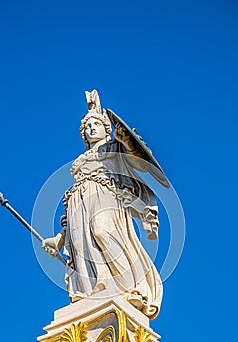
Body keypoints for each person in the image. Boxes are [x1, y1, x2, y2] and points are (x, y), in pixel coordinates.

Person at [42, 90, 163, 319]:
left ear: (106, 128)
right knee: (80, 245)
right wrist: (59, 240)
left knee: (103, 231)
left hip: (106, 196)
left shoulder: (114, 148)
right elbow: (68, 217)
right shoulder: (79, 162)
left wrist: (127, 141)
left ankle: (130, 286)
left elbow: (142, 163)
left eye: (96, 124)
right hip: (79, 202)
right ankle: (96, 289)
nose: (91, 129)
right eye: (87, 127)